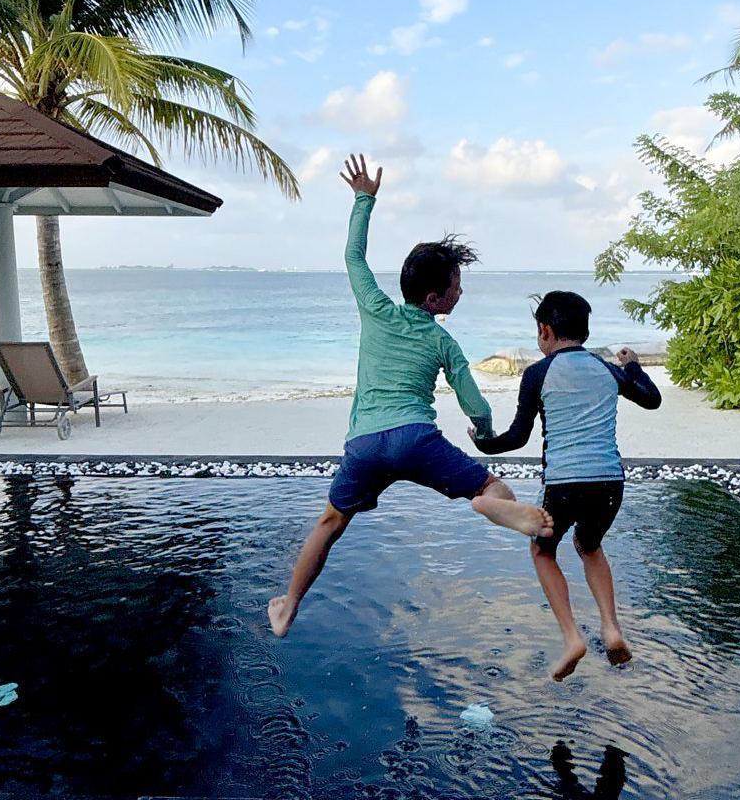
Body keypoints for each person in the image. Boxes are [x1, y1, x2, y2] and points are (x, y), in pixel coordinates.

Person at [268, 155, 554, 637]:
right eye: (456, 288)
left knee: (331, 522)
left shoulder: (376, 309)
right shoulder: (443, 341)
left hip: (364, 445)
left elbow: (353, 259)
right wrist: (483, 435)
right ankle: (498, 510)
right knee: (488, 489)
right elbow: (476, 405)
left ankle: (289, 606)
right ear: (434, 300)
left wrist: (364, 200)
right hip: (416, 439)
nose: (460, 295)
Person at [471, 290, 661, 680]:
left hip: (565, 485)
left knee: (543, 551)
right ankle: (611, 629)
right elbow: (651, 400)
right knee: (590, 547)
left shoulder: (539, 373)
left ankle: (572, 637)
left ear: (545, 331)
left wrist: (482, 442)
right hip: (610, 483)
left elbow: (518, 437)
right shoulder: (607, 369)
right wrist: (634, 368)